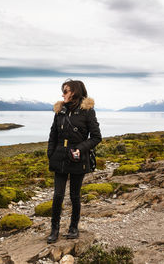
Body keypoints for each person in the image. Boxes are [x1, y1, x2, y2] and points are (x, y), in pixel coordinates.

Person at [46, 79, 102, 243]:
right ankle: (54, 230)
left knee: (75, 196)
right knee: (57, 195)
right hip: (60, 157)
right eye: (62, 90)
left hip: (78, 158)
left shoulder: (87, 111)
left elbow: (96, 137)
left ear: (75, 92)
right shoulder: (59, 111)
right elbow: (53, 135)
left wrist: (80, 149)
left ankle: (73, 228)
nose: (62, 94)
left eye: (66, 91)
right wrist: (51, 153)